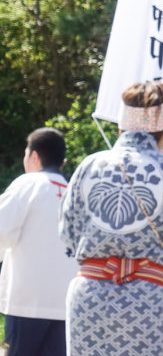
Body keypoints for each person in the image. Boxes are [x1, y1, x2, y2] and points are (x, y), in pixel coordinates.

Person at [59, 80, 163, 356]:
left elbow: (68, 231)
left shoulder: (90, 165)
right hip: (145, 296)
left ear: (121, 125)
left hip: (89, 295)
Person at [0, 128, 79, 356]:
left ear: (34, 156)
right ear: (62, 161)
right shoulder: (74, 193)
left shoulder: (28, 184)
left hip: (27, 301)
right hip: (66, 304)